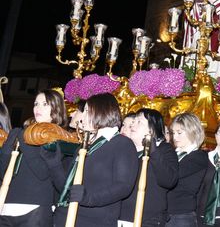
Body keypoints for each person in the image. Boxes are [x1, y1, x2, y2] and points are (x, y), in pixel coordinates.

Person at [50, 93, 138, 227]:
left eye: (86, 111)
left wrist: (88, 198)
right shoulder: (85, 145)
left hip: (94, 220)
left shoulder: (122, 144)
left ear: (101, 111)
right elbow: (67, 188)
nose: (82, 117)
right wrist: (54, 165)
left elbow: (123, 186)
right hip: (64, 216)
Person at [0, 89, 67, 226]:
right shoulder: (22, 133)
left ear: (56, 109)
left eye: (44, 104)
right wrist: (6, 150)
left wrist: (24, 140)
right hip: (6, 206)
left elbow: (42, 173)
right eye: (36, 103)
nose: (38, 108)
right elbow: (2, 172)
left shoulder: (58, 136)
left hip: (35, 208)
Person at [120, 108, 179, 226]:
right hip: (121, 216)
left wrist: (153, 151)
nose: (133, 125)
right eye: (133, 122)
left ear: (152, 129)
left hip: (148, 219)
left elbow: (169, 180)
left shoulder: (164, 150)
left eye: (139, 122)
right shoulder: (125, 149)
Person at [167, 113, 208, 227]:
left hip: (181, 216)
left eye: (179, 133)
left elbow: (172, 175)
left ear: (192, 131)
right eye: (173, 133)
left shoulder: (199, 156)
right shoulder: (173, 153)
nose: (175, 137)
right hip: (166, 213)